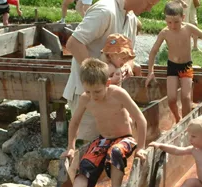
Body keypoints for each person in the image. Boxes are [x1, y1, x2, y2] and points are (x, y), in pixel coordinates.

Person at [54, 58, 147, 187]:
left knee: (116, 152)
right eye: (88, 91)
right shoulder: (85, 99)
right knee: (85, 164)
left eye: (97, 91)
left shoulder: (118, 94)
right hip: (104, 139)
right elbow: (74, 122)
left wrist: (141, 148)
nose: (93, 96)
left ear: (108, 83)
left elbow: (141, 119)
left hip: (125, 138)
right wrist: (70, 146)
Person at [63, 0, 160, 142]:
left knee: (115, 148)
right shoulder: (105, 11)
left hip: (112, 97)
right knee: (91, 151)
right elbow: (74, 43)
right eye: (149, 3)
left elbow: (128, 55)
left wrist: (127, 66)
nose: (149, 9)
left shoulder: (131, 18)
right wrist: (101, 76)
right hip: (90, 96)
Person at [145, 1, 202, 123]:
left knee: (185, 97)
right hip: (172, 67)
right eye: (169, 22)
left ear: (183, 18)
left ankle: (186, 122)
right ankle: (178, 118)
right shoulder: (165, 32)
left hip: (186, 66)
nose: (173, 26)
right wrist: (150, 72)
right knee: (171, 99)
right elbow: (153, 52)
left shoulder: (188, 28)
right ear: (165, 20)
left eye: (176, 22)